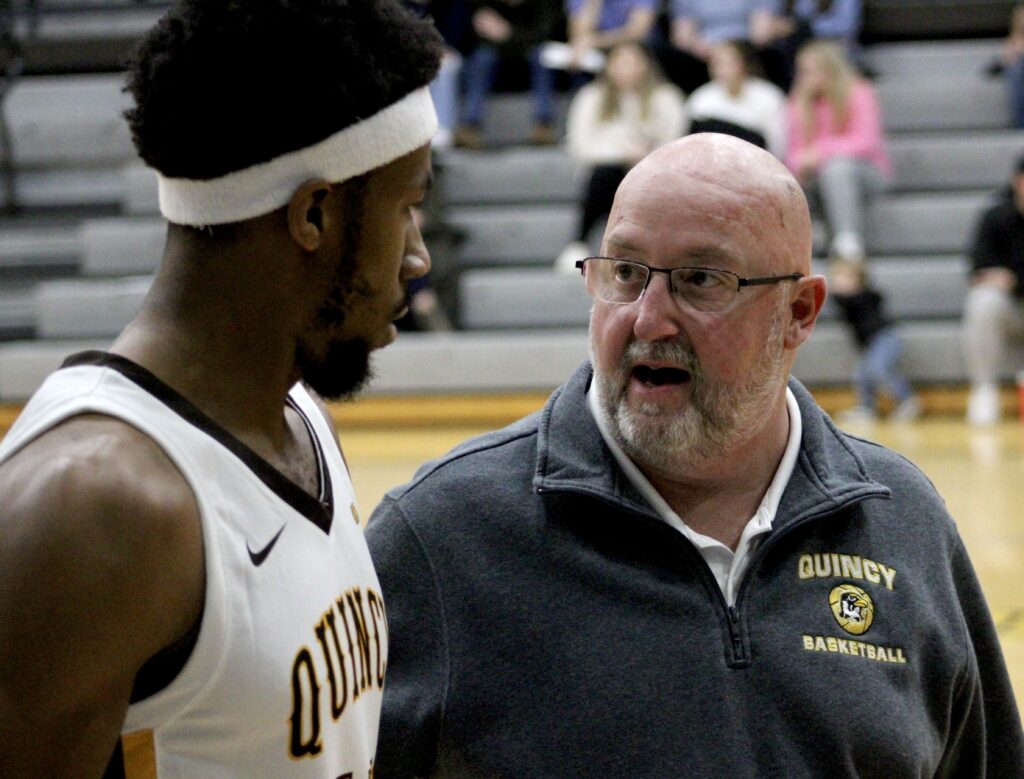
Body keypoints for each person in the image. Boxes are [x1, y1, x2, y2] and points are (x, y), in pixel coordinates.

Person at [366, 133, 1024, 776]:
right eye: (625, 273)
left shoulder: (903, 519)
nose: (648, 319)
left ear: (799, 311)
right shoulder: (440, 536)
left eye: (700, 279)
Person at [0, 0, 442, 776]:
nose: (418, 256)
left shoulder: (302, 419)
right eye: (406, 207)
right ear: (314, 213)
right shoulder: (93, 503)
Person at [555, 41, 686, 271]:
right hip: (606, 173)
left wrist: (645, 156)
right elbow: (580, 145)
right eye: (620, 62)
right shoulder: (591, 97)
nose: (626, 68)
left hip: (654, 173)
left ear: (646, 65)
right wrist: (621, 154)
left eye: (633, 62)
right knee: (606, 174)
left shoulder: (666, 97)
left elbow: (678, 143)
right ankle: (579, 242)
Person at [786, 39, 889, 263]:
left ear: (829, 70)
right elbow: (793, 152)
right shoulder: (798, 102)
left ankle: (847, 241)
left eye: (810, 71)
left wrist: (819, 152)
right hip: (816, 177)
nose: (805, 78)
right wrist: (802, 164)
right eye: (802, 72)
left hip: (864, 172)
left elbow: (866, 142)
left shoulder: (859, 92)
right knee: (787, 181)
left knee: (837, 167)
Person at [962, 154, 1024, 425]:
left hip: (1015, 292)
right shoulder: (995, 217)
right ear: (1017, 181)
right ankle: (984, 389)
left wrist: (1014, 279)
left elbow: (1002, 275)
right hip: (1011, 309)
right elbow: (980, 270)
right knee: (984, 300)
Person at [453, 0, 564, 149]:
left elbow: (546, 36)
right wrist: (505, 37)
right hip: (495, 61)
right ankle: (470, 127)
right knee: (482, 58)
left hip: (530, 59)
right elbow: (469, 41)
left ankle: (543, 125)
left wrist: (507, 33)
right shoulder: (483, 4)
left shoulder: (543, 4)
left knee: (542, 56)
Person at [829, 259, 921, 423]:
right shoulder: (844, 302)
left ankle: (907, 399)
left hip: (885, 338)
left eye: (845, 279)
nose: (839, 283)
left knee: (879, 369)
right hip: (870, 344)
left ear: (859, 280)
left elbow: (858, 300)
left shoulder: (866, 297)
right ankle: (867, 408)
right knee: (861, 374)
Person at [686, 39, 786, 157]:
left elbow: (778, 145)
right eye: (716, 63)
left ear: (744, 63)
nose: (723, 70)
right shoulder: (700, 100)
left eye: (730, 62)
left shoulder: (770, 96)